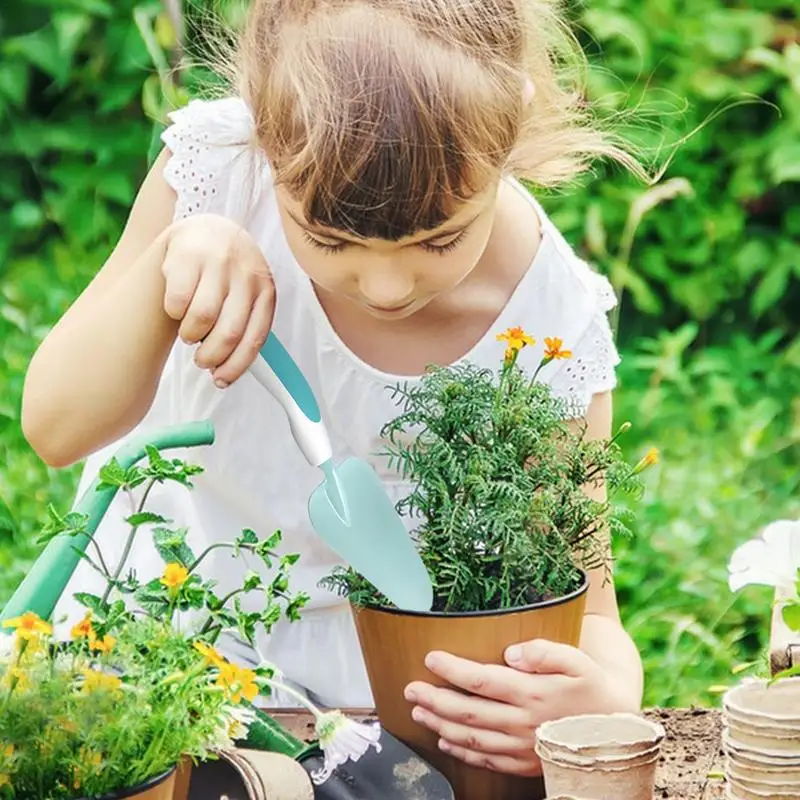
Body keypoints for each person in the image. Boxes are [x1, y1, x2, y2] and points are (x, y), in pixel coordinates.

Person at [22, 0, 645, 777]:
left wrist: (605, 695)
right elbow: (54, 429)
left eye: (439, 239)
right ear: (263, 131)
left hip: (368, 708)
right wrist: (173, 259)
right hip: (146, 633)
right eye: (329, 238)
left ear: (509, 125)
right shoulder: (219, 180)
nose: (386, 286)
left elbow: (592, 608)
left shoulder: (547, 323)